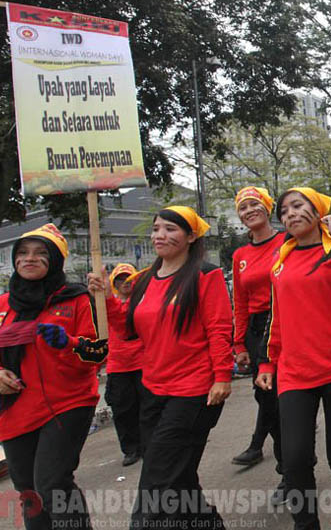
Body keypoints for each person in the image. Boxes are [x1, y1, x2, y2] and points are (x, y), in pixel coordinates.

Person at [89, 206, 232, 529]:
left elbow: (219, 329)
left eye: (170, 229)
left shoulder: (204, 276)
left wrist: (222, 376)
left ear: (190, 236)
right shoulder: (143, 281)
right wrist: (106, 299)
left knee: (157, 479)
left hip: (194, 392)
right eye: (156, 229)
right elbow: (128, 328)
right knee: (177, 477)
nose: (160, 236)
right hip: (153, 390)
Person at [256, 187, 331, 530]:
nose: (291, 214)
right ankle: (305, 523)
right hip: (294, 372)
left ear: (319, 210)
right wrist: (268, 362)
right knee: (294, 458)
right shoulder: (280, 261)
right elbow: (276, 318)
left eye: (299, 206)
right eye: (284, 211)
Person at [0, 223, 106, 530]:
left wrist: (68, 343)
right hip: (15, 410)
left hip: (67, 404)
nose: (29, 259)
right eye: (22, 253)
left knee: (53, 484)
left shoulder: (77, 300)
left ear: (55, 260)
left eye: (40, 253)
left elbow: (98, 353)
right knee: (29, 491)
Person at [229, 187, 286, 497]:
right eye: (243, 207)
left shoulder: (286, 241)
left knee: (285, 399)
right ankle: (285, 468)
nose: (248, 210)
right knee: (266, 398)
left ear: (267, 208)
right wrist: (238, 345)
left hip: (287, 322)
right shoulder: (240, 256)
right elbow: (239, 301)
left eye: (254, 204)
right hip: (256, 329)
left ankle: (295, 465)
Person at [104, 263, 146, 467]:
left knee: (146, 406)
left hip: (143, 362)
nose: (125, 283)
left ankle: (148, 445)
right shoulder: (106, 305)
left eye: (129, 279)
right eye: (120, 280)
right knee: (122, 410)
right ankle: (130, 449)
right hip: (118, 366)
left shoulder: (142, 302)